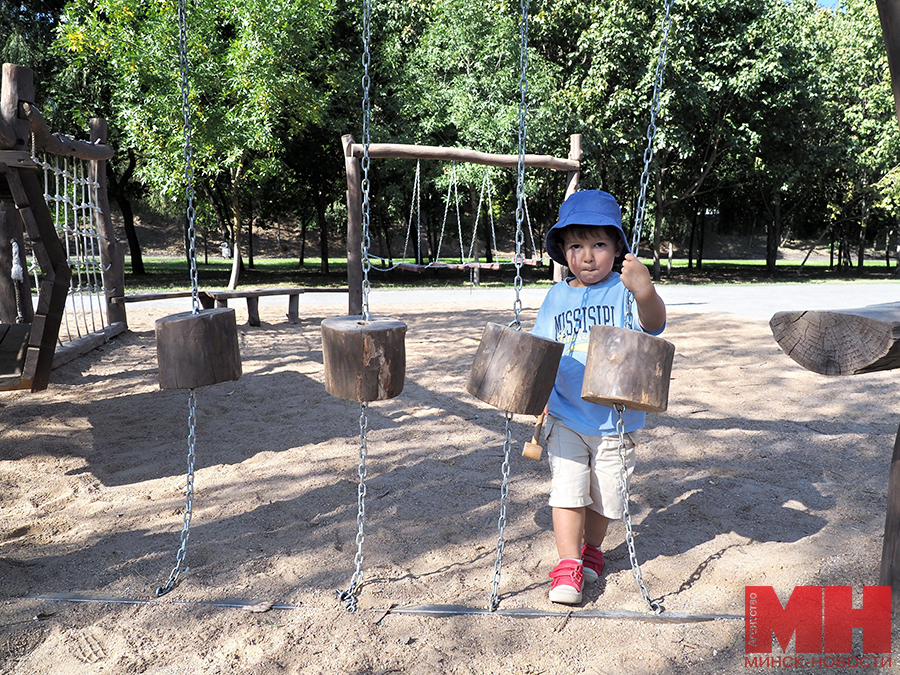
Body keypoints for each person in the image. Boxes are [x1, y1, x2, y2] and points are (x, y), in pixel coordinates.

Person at [531, 189, 666, 605]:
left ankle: (592, 548)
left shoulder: (624, 288)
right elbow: (541, 351)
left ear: (618, 248)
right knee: (568, 491)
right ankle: (568, 564)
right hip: (567, 414)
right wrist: (538, 401)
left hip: (615, 420)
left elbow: (655, 325)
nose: (587, 256)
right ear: (563, 250)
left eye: (599, 245)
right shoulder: (557, 297)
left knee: (606, 497)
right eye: (576, 245)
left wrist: (644, 291)